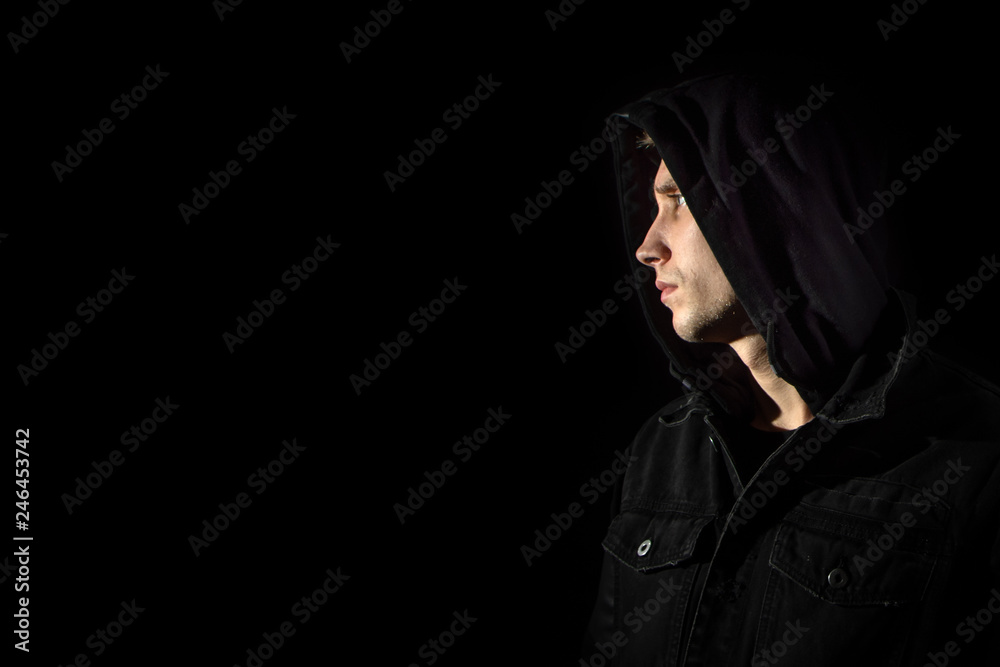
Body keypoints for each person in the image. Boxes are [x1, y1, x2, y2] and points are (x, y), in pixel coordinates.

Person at [581, 65, 1000, 666]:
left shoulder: (974, 459)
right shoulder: (662, 450)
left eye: (679, 200)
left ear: (775, 207)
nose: (647, 248)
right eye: (651, 205)